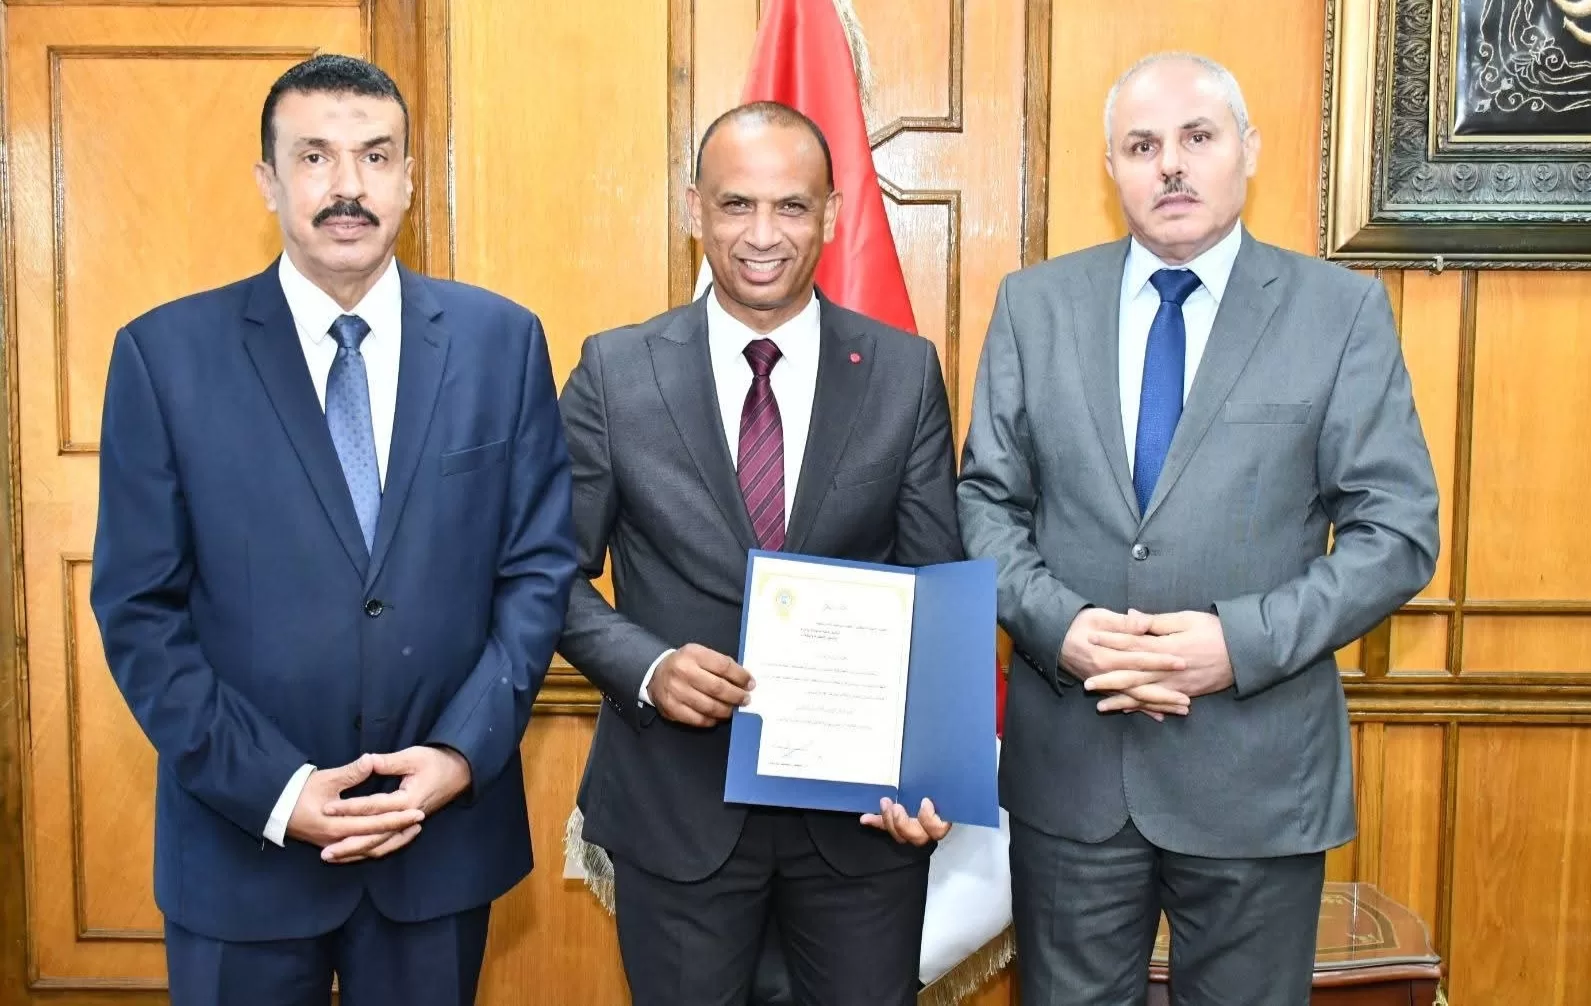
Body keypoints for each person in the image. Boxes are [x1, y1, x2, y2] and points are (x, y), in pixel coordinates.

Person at [89, 54, 577, 1006]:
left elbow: (537, 569)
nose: (346, 186)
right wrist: (276, 792)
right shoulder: (162, 355)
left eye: (374, 156)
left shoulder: (501, 342)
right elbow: (140, 612)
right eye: (313, 156)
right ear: (268, 181)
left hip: (436, 845)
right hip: (240, 850)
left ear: (409, 180)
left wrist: (458, 755)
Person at [956, 52, 1440, 1005]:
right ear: (1111, 166)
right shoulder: (1033, 306)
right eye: (1142, 146)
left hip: (1255, 772)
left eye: (1197, 137)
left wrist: (1236, 644)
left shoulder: (1338, 311)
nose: (1170, 164)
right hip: (1073, 772)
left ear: (1246, 150)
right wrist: (1061, 627)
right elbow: (983, 503)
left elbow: (1396, 532)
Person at [558, 101, 958, 1006]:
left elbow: (935, 584)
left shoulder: (902, 371)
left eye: (791, 206)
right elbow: (546, 572)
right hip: (676, 805)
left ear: (832, 214)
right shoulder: (615, 373)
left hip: (861, 820)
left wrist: (933, 773)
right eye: (736, 204)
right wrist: (648, 666)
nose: (762, 235)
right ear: (693, 208)